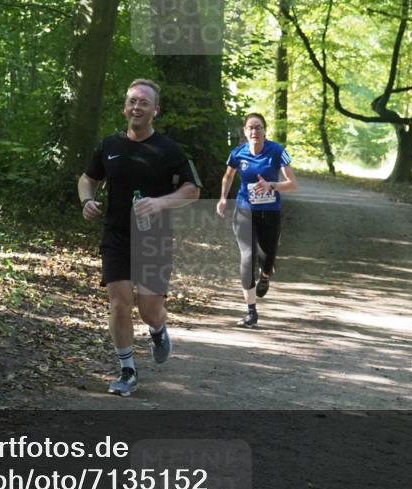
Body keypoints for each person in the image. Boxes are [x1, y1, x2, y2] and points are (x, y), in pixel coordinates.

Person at [78, 79, 201, 396]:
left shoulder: (168, 149)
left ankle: (158, 328)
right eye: (132, 101)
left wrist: (160, 203)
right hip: (116, 236)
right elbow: (87, 179)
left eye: (144, 102)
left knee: (148, 309)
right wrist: (87, 200)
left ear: (155, 110)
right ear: (124, 108)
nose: (137, 106)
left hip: (154, 239)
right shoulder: (109, 145)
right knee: (120, 304)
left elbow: (192, 190)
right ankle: (127, 370)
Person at [216, 113, 297, 327]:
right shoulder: (237, 153)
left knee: (267, 257)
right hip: (245, 209)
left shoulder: (277, 151)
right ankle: (251, 311)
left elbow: (292, 183)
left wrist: (272, 185)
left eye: (258, 127)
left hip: (270, 212)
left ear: (265, 130)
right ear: (245, 131)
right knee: (247, 257)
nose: (254, 132)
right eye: (251, 128)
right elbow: (228, 176)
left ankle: (266, 275)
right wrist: (223, 198)